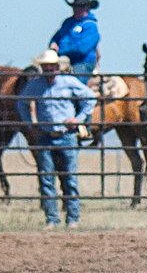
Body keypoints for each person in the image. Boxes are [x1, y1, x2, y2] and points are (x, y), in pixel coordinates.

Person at [20, 46, 93, 227]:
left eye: (52, 66)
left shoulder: (68, 82)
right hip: (46, 135)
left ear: (57, 67)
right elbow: (21, 103)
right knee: (47, 178)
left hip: (66, 135)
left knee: (70, 178)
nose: (49, 70)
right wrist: (31, 125)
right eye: (46, 66)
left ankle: (73, 218)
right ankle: (52, 219)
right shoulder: (35, 85)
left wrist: (78, 119)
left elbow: (90, 98)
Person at [52, 0, 101, 75]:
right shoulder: (67, 23)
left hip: (83, 63)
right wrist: (53, 43)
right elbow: (56, 37)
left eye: (81, 6)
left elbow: (82, 49)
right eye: (75, 6)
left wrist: (60, 51)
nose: (78, 9)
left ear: (87, 7)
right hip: (62, 60)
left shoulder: (90, 26)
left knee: (73, 80)